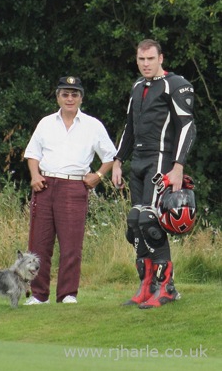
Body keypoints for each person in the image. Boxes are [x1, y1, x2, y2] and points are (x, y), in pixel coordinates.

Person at [112, 39, 196, 309]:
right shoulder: (137, 87)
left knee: (150, 222)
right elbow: (129, 127)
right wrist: (117, 160)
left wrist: (178, 166)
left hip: (161, 161)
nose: (145, 64)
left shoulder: (176, 84)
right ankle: (146, 286)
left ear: (161, 58)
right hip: (137, 162)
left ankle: (167, 288)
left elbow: (187, 127)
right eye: (141, 59)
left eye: (150, 58)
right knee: (134, 223)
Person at [24, 76, 117, 304]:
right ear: (57, 96)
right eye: (65, 94)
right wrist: (35, 175)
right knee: (39, 243)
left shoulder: (92, 125)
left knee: (71, 244)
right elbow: (33, 153)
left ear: (81, 98)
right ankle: (38, 294)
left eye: (74, 94)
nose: (69, 98)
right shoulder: (46, 122)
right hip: (45, 185)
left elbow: (110, 156)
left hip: (74, 185)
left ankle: (67, 294)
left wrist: (99, 175)